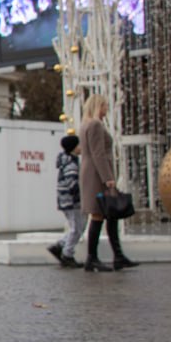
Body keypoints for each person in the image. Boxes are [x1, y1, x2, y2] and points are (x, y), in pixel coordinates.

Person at [79, 94, 137, 272]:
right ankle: (92, 258)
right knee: (98, 215)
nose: (106, 110)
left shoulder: (85, 124)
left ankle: (117, 256)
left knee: (110, 214)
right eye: (104, 106)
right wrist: (108, 178)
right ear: (98, 106)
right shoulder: (95, 124)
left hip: (91, 172)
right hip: (97, 175)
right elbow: (98, 153)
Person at [46, 134, 85, 268]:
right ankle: (67, 254)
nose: (81, 147)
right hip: (71, 201)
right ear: (74, 147)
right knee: (76, 229)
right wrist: (79, 197)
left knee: (77, 227)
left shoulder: (67, 161)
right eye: (79, 144)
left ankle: (60, 246)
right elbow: (72, 182)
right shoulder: (71, 163)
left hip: (65, 200)